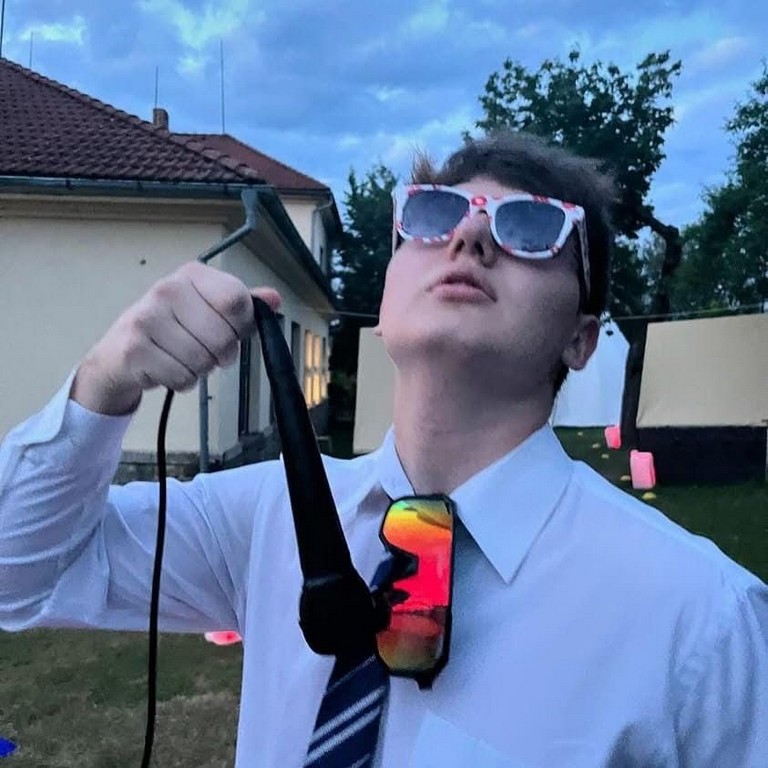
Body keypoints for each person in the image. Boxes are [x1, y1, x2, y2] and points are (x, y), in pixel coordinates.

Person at [0, 131, 766, 767]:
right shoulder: (261, 517)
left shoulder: (705, 623)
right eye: (434, 214)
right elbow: (20, 576)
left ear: (581, 339)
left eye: (532, 228)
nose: (468, 236)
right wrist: (102, 383)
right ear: (388, 287)